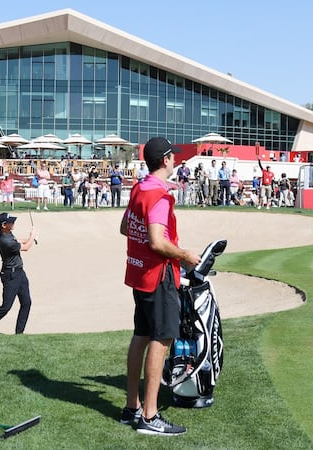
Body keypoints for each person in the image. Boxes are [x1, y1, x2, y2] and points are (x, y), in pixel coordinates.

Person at [119, 136, 201, 436]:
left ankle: (132, 407)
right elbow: (156, 241)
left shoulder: (139, 188)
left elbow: (126, 227)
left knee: (141, 334)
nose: (175, 160)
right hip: (158, 275)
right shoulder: (159, 195)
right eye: (172, 156)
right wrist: (185, 255)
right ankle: (150, 416)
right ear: (165, 160)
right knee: (162, 338)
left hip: (139, 274)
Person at [0, 213, 36, 334]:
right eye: (11, 222)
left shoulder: (5, 233)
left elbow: (18, 241)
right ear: (4, 225)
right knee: (6, 307)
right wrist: (32, 236)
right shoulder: (5, 241)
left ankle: (19, 333)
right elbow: (25, 248)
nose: (13, 223)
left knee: (26, 302)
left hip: (19, 272)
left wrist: (30, 238)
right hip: (10, 275)